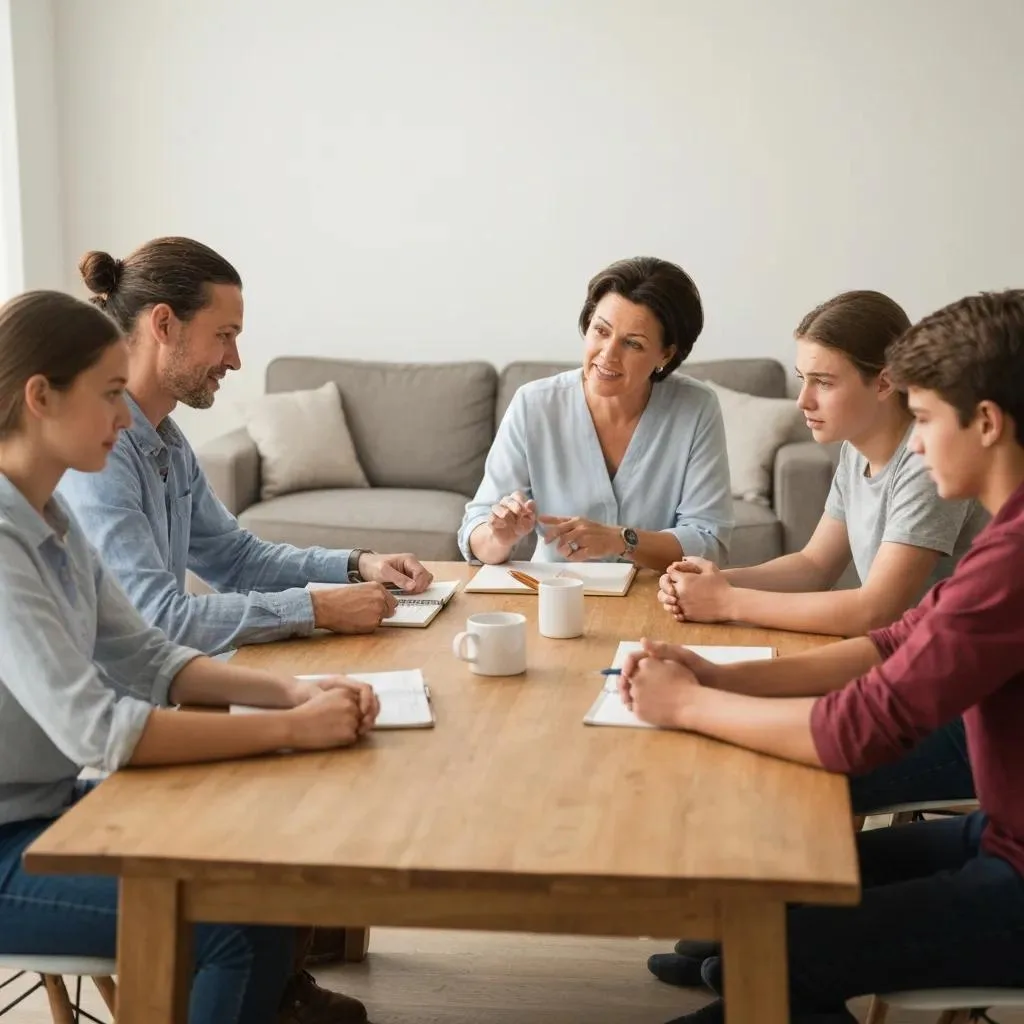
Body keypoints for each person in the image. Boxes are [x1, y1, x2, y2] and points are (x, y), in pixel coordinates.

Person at [622, 290, 1024, 1024]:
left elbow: (856, 731)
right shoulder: (1006, 537)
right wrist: (717, 673)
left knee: (782, 954)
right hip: (1002, 831)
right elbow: (891, 642)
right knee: (773, 904)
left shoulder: (1014, 559)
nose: (919, 440)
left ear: (988, 424)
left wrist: (687, 704)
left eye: (927, 418)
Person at [0, 290, 379, 1024]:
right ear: (40, 397)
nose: (124, 417)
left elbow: (150, 656)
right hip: (11, 847)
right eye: (110, 394)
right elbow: (100, 732)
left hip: (47, 811)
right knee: (232, 921)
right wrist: (293, 729)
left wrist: (294, 693)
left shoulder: (52, 519)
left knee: (258, 875)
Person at [58, 237, 433, 658]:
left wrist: (357, 564)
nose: (234, 360)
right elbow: (156, 618)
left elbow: (235, 559)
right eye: (223, 335)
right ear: (163, 325)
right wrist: (318, 608)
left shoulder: (168, 440)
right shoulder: (98, 452)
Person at [659, 290, 986, 636]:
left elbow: (875, 611)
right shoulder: (855, 449)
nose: (803, 401)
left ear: (885, 382)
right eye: (803, 379)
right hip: (902, 654)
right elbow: (814, 566)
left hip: (951, 666)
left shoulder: (926, 463)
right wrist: (713, 581)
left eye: (824, 383)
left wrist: (726, 601)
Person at [457, 257, 733, 572]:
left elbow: (709, 543)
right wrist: (498, 536)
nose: (608, 354)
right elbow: (476, 529)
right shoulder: (534, 405)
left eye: (633, 344)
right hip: (555, 597)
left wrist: (622, 540)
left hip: (659, 600)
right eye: (601, 330)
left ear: (665, 355)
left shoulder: (696, 408)